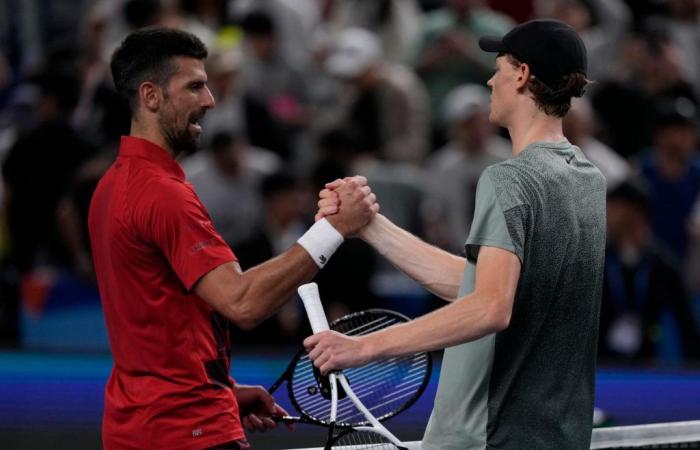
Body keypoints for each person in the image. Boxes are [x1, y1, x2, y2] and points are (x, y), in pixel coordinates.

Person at [306, 19, 607, 449]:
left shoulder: (510, 179)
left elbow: (489, 307)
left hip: (490, 438)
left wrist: (359, 349)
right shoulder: (587, 179)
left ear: (522, 76)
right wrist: (371, 226)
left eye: (499, 66)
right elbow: (479, 283)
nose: (490, 78)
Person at [88, 28, 378, 450]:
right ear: (150, 96)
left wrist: (221, 389)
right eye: (194, 86)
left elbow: (155, 321)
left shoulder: (112, 185)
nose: (209, 100)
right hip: (188, 431)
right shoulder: (161, 193)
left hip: (137, 426)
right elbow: (243, 303)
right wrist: (333, 228)